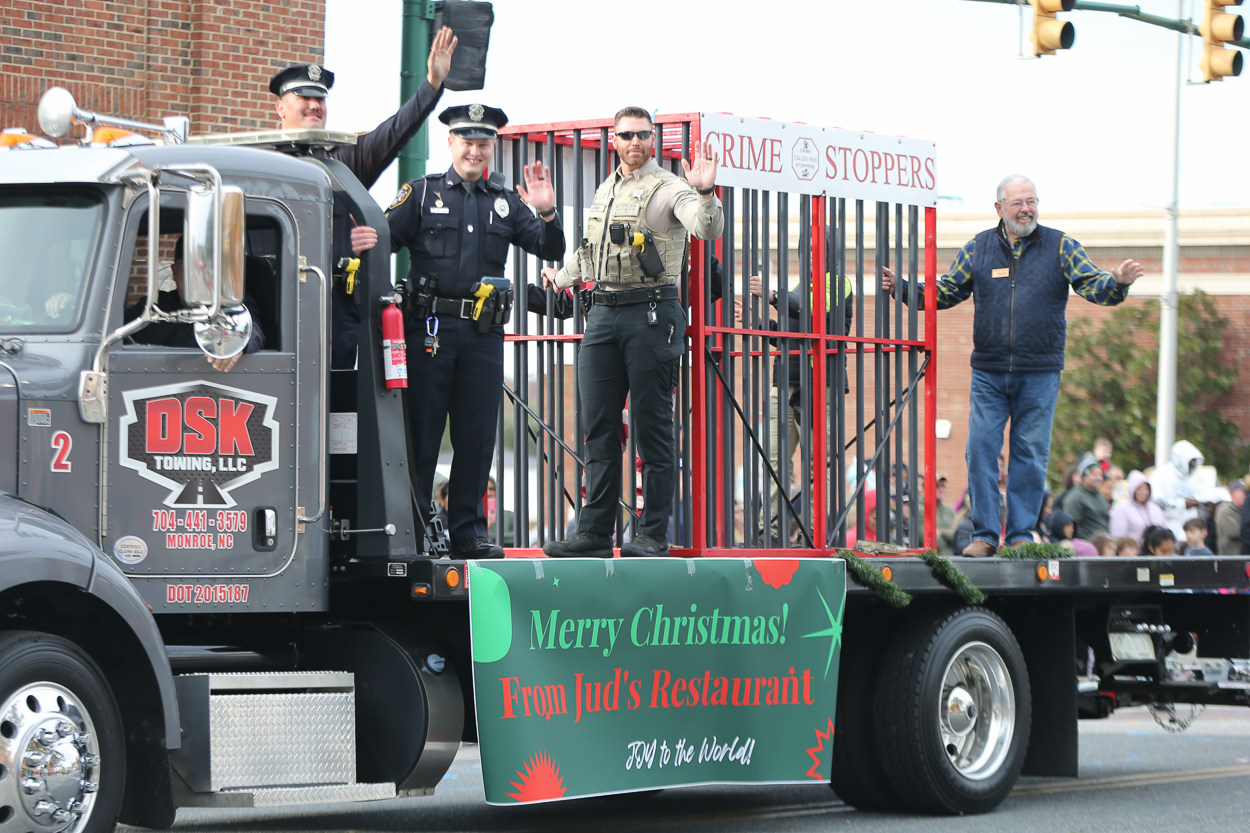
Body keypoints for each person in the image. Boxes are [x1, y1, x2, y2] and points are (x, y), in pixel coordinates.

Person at [881, 175, 1143, 555]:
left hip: (1040, 373)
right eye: (1018, 202)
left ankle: (1020, 534)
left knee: (1029, 454)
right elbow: (946, 291)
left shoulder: (1060, 246)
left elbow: (1093, 285)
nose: (1026, 208)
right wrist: (903, 288)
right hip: (988, 371)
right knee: (980, 451)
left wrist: (1117, 282)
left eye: (1032, 201)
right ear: (999, 208)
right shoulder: (979, 248)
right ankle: (985, 535)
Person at [539, 107, 723, 559]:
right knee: (598, 428)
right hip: (601, 314)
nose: (635, 142)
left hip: (652, 314)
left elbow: (706, 227)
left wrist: (705, 192)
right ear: (615, 140)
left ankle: (652, 533)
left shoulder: (672, 187)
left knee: (653, 428)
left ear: (653, 140)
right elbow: (590, 253)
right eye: (626, 135)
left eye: (643, 135)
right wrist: (559, 279)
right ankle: (596, 533)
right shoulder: (607, 187)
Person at [386, 104, 564, 559]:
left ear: (492, 147)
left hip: (483, 334)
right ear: (450, 144)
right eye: (466, 140)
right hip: (429, 328)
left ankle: (468, 534)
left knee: (477, 435)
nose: (474, 149)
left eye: (483, 142)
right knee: (422, 434)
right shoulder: (422, 194)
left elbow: (551, 247)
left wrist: (546, 212)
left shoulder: (504, 202)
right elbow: (382, 239)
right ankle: (413, 531)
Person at [269, 26, 458, 368]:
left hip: (336, 309)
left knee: (339, 407)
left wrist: (431, 86)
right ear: (281, 108)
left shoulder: (344, 158)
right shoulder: (260, 162)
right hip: (275, 301)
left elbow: (397, 130)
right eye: (304, 98)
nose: (314, 105)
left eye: (320, 98)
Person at [125, 237, 264, 372]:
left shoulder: (231, 304)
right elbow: (118, 328)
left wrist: (236, 343)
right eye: (191, 268)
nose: (201, 278)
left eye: (208, 269)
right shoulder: (154, 305)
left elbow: (254, 332)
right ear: (175, 271)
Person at [1149, 440, 1205, 539]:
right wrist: (1183, 504)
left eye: (1194, 464)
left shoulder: (1190, 481)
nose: (1192, 466)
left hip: (1188, 536)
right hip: (1166, 534)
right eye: (1190, 463)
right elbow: (1157, 504)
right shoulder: (1160, 475)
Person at [1109, 470, 1166, 547]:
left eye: (1146, 488)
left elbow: (1165, 529)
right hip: (1134, 554)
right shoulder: (1122, 509)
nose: (1143, 492)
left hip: (1156, 552)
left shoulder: (1155, 509)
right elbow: (1118, 536)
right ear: (1133, 489)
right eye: (1139, 489)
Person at [1061, 455, 1111, 539]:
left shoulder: (1101, 496)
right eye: (1095, 474)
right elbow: (1070, 528)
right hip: (1086, 547)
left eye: (1100, 475)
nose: (1099, 478)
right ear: (1085, 476)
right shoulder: (1075, 497)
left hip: (1104, 546)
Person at [1215, 479, 1244, 555]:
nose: (1245, 495)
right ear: (1233, 493)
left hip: (1242, 558)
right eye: (1242, 492)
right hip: (1229, 558)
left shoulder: (1244, 510)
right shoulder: (1225, 510)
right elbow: (1234, 532)